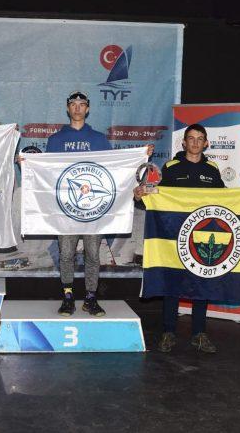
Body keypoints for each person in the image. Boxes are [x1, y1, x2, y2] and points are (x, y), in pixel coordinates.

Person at [134, 124, 224, 353]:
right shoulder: (171, 167)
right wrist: (141, 195)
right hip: (173, 235)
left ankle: (199, 334)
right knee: (172, 282)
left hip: (202, 234)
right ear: (183, 142)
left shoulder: (213, 170)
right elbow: (157, 196)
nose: (195, 143)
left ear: (206, 143)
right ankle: (168, 332)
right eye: (191, 138)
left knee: (202, 282)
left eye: (200, 139)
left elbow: (225, 200)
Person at [45, 91, 113, 317]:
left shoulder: (99, 139)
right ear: (67, 108)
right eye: (73, 104)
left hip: (93, 209)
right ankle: (68, 297)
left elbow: (114, 170)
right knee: (66, 254)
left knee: (93, 255)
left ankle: (90, 298)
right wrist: (28, 163)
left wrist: (141, 155)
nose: (77, 108)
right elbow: (45, 172)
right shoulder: (55, 140)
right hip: (66, 210)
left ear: (88, 108)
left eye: (82, 104)